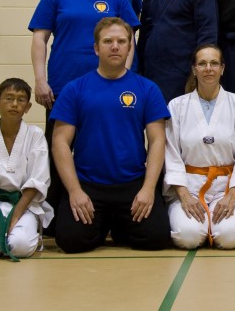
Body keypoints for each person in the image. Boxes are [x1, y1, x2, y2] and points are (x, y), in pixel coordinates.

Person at [30, 0, 140, 217]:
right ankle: (56, 213)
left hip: (106, 86)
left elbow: (129, 37)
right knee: (59, 150)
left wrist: (126, 74)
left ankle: (103, 209)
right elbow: (40, 39)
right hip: (62, 85)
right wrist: (40, 80)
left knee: (99, 147)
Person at [51, 18, 170, 253]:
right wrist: (75, 191)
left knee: (156, 238)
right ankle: (103, 224)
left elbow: (157, 141)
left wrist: (148, 189)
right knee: (70, 241)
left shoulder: (147, 89)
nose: (114, 46)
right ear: (96, 48)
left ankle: (115, 226)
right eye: (107, 41)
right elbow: (60, 143)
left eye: (121, 41)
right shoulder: (74, 89)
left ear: (129, 47)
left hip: (132, 184)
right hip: (88, 185)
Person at [164, 44, 235, 250]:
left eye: (214, 63)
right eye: (202, 63)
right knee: (187, 236)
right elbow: (171, 155)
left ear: (222, 68)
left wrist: (233, 194)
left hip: (227, 187)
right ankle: (201, 224)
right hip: (189, 187)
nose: (208, 68)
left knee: (231, 236)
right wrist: (184, 195)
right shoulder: (176, 106)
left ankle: (216, 222)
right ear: (194, 69)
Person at [0, 78, 53, 260]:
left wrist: (16, 215)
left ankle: (12, 238)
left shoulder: (35, 135)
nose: (14, 104)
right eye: (9, 98)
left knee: (20, 246)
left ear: (28, 107)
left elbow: (38, 179)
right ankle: (0, 240)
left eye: (21, 100)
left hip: (25, 205)